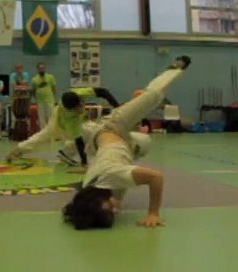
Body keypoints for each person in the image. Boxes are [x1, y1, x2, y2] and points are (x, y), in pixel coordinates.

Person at [62, 56, 191, 230]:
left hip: (112, 127)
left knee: (153, 95)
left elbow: (156, 178)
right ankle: (137, 117)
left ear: (96, 201)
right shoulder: (90, 189)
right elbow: (106, 198)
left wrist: (153, 213)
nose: (112, 211)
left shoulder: (112, 176)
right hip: (120, 143)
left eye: (108, 210)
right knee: (144, 142)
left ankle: (174, 68)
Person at [7, 90, 100, 169]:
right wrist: (84, 163)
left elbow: (102, 91)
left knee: (41, 137)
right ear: (71, 108)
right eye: (77, 107)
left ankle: (19, 149)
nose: (81, 107)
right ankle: (66, 152)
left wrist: (115, 105)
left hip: (57, 122)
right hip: (59, 127)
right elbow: (79, 141)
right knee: (86, 133)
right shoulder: (70, 119)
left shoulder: (77, 94)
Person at [31, 62, 57, 129]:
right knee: (41, 120)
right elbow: (33, 91)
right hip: (40, 102)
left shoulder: (50, 77)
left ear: (45, 68)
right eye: (40, 68)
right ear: (37, 69)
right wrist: (37, 98)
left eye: (43, 68)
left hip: (49, 101)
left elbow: (54, 89)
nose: (41, 69)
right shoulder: (34, 79)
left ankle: (51, 134)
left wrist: (51, 96)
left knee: (51, 119)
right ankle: (43, 135)